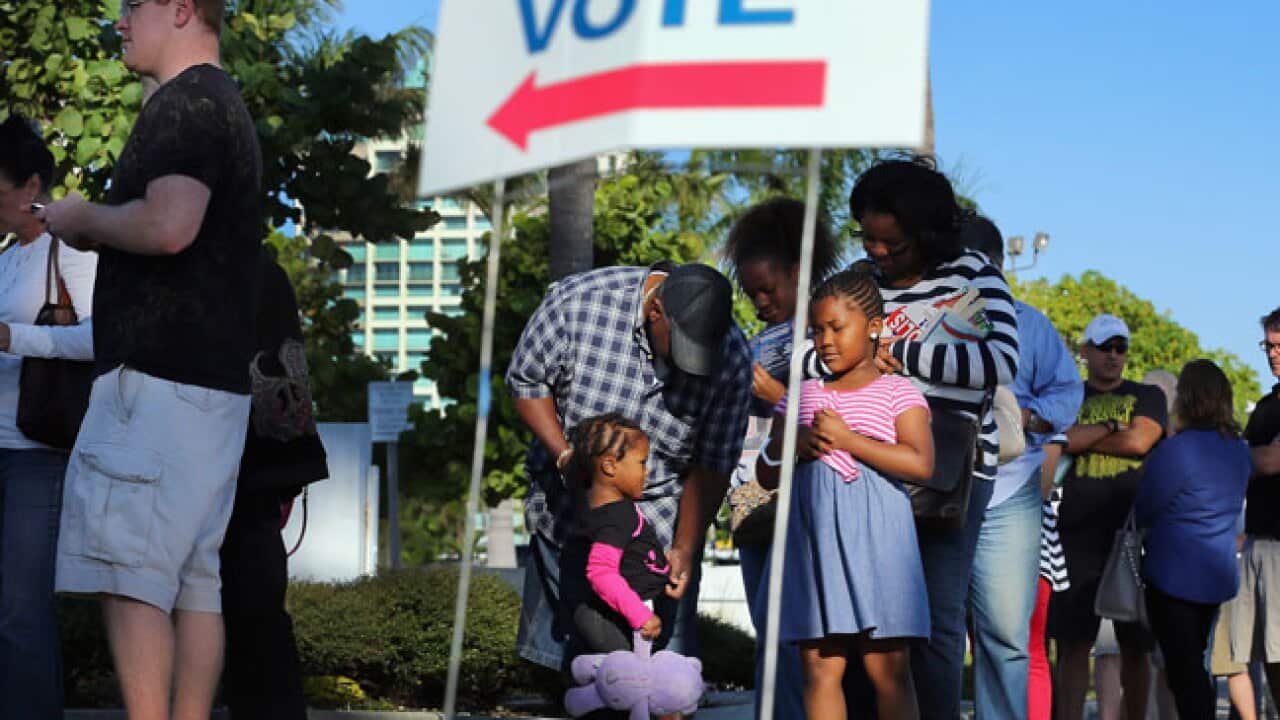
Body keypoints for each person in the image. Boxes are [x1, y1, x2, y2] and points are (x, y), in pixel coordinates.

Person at [38, 0, 264, 717]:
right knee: (195, 584)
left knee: (130, 577)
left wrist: (82, 220)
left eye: (132, 5)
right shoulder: (221, 103)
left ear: (179, 9)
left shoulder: (186, 104)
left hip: (157, 381)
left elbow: (168, 226)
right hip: (211, 389)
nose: (119, 21)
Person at [805, 158, 1020, 718]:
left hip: (948, 471)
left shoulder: (972, 275)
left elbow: (998, 362)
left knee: (932, 623)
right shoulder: (857, 281)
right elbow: (808, 352)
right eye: (868, 238)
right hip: (854, 468)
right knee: (850, 623)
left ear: (926, 234)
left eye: (891, 243)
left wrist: (898, 355)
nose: (876, 252)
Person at [506, 261, 752, 674]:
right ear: (656, 311)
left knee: (665, 680)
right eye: (682, 348)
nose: (685, 365)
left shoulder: (732, 358)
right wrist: (565, 454)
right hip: (569, 516)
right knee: (586, 672)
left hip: (660, 529)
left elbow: (712, 463)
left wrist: (685, 550)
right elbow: (526, 381)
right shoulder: (578, 302)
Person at [757, 268, 933, 720]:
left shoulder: (898, 391)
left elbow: (921, 463)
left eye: (837, 327)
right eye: (817, 330)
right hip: (815, 543)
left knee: (888, 668)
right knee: (819, 665)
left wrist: (850, 441)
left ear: (875, 327)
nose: (825, 340)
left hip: (881, 542)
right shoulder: (803, 395)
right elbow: (765, 472)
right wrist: (789, 444)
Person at [959, 215, 1083, 718]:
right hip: (940, 486)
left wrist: (1029, 417)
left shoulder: (1030, 323)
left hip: (1011, 493)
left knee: (1008, 638)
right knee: (940, 633)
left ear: (997, 264)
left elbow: (1068, 391)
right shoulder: (933, 317)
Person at [724, 196, 840, 719]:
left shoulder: (827, 331)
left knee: (796, 642)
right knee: (771, 639)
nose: (761, 301)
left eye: (768, 289)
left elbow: (839, 412)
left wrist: (773, 393)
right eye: (752, 293)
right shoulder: (759, 338)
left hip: (802, 500)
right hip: (753, 499)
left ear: (798, 271)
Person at [0, 114, 97, 719]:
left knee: (19, 609)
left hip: (38, 454)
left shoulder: (77, 256)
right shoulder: (6, 257)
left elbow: (98, 340)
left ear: (31, 185)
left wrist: (13, 337)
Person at [219, 254, 328, 720]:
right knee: (255, 613)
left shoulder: (243, 271)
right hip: (261, 463)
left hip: (247, 465)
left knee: (249, 613)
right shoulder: (259, 268)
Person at [1051, 314, 1167, 720]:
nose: (1114, 356)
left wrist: (1088, 436)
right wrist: (1110, 424)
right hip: (1073, 537)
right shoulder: (1067, 394)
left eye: (1121, 348)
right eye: (1105, 347)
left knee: (1136, 646)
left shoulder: (1148, 395)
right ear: (1085, 351)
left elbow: (1140, 441)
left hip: (1132, 536)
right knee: (1072, 645)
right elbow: (1061, 440)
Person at [1135, 359, 1251, 717]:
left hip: (1172, 575)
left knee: (1184, 675)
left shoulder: (1176, 450)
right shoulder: (1237, 451)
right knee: (1194, 666)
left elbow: (1145, 508)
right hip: (1215, 576)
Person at [561, 414, 668, 655]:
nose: (647, 472)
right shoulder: (617, 517)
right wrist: (640, 616)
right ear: (609, 466)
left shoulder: (589, 502)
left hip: (606, 613)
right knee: (627, 681)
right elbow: (601, 572)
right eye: (642, 463)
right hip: (621, 620)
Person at [1233, 307, 1280, 701]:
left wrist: (1238, 455)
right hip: (1258, 540)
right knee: (1264, 654)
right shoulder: (1267, 406)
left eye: (1279, 346)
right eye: (1268, 346)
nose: (1273, 354)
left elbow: (1267, 461)